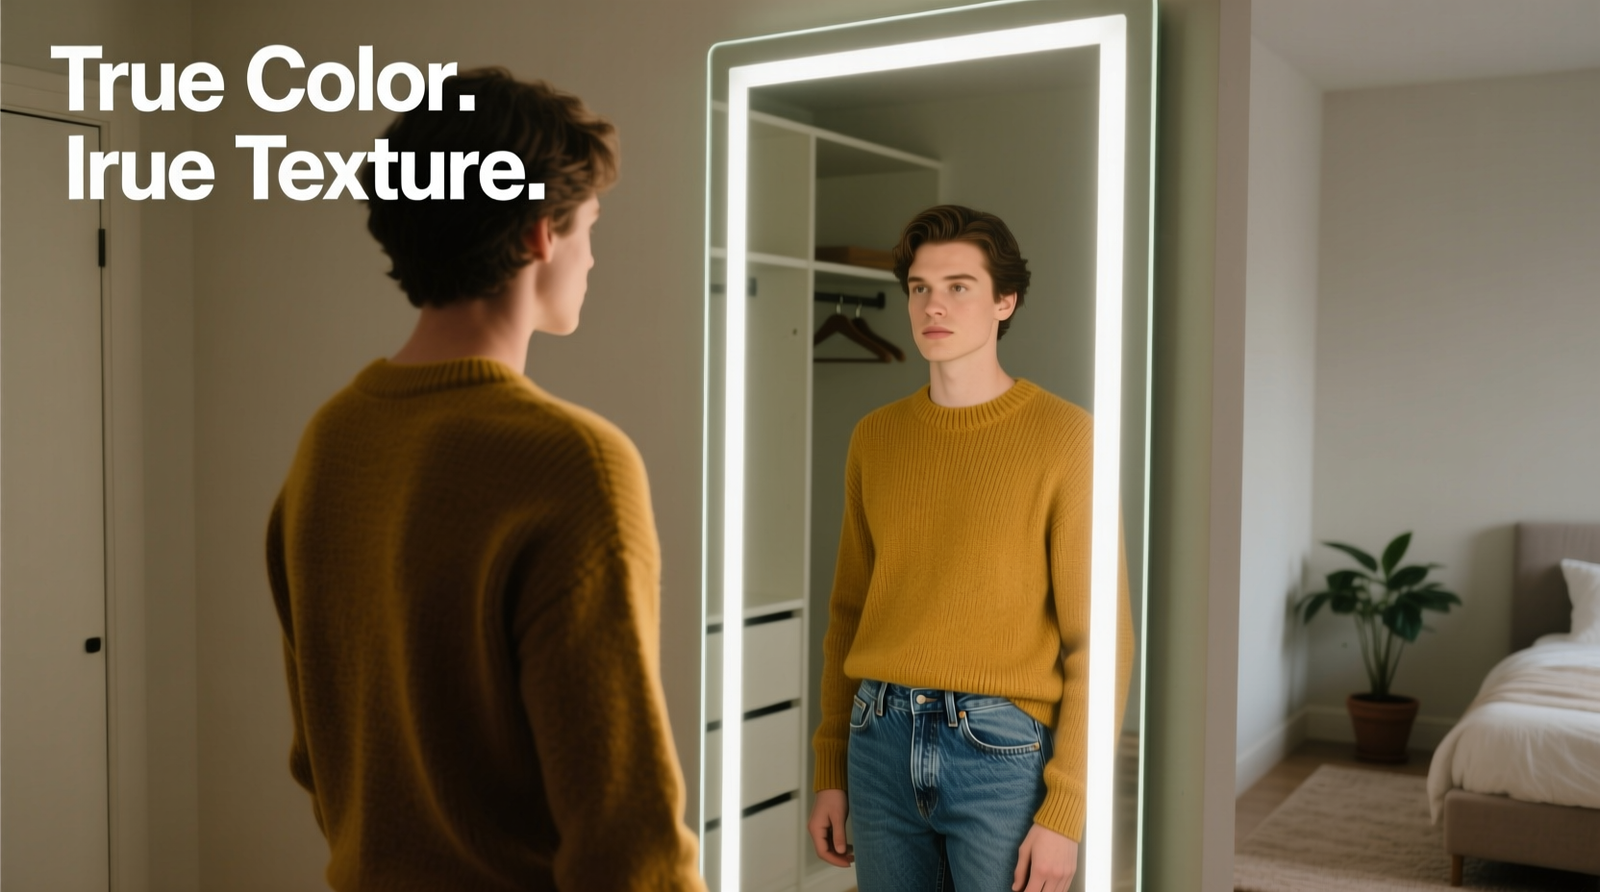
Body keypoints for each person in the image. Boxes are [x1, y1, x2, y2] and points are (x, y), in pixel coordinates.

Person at [265, 68, 705, 892]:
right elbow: (624, 839)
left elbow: (320, 761)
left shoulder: (332, 439)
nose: (593, 257)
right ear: (541, 234)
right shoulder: (572, 464)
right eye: (589, 229)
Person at [806, 205, 1134, 892]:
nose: (934, 305)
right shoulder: (875, 437)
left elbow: (1098, 640)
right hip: (879, 735)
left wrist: (1067, 811)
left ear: (1004, 301)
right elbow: (847, 613)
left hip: (1000, 749)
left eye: (959, 286)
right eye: (920, 288)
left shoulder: (1067, 437)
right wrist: (830, 767)